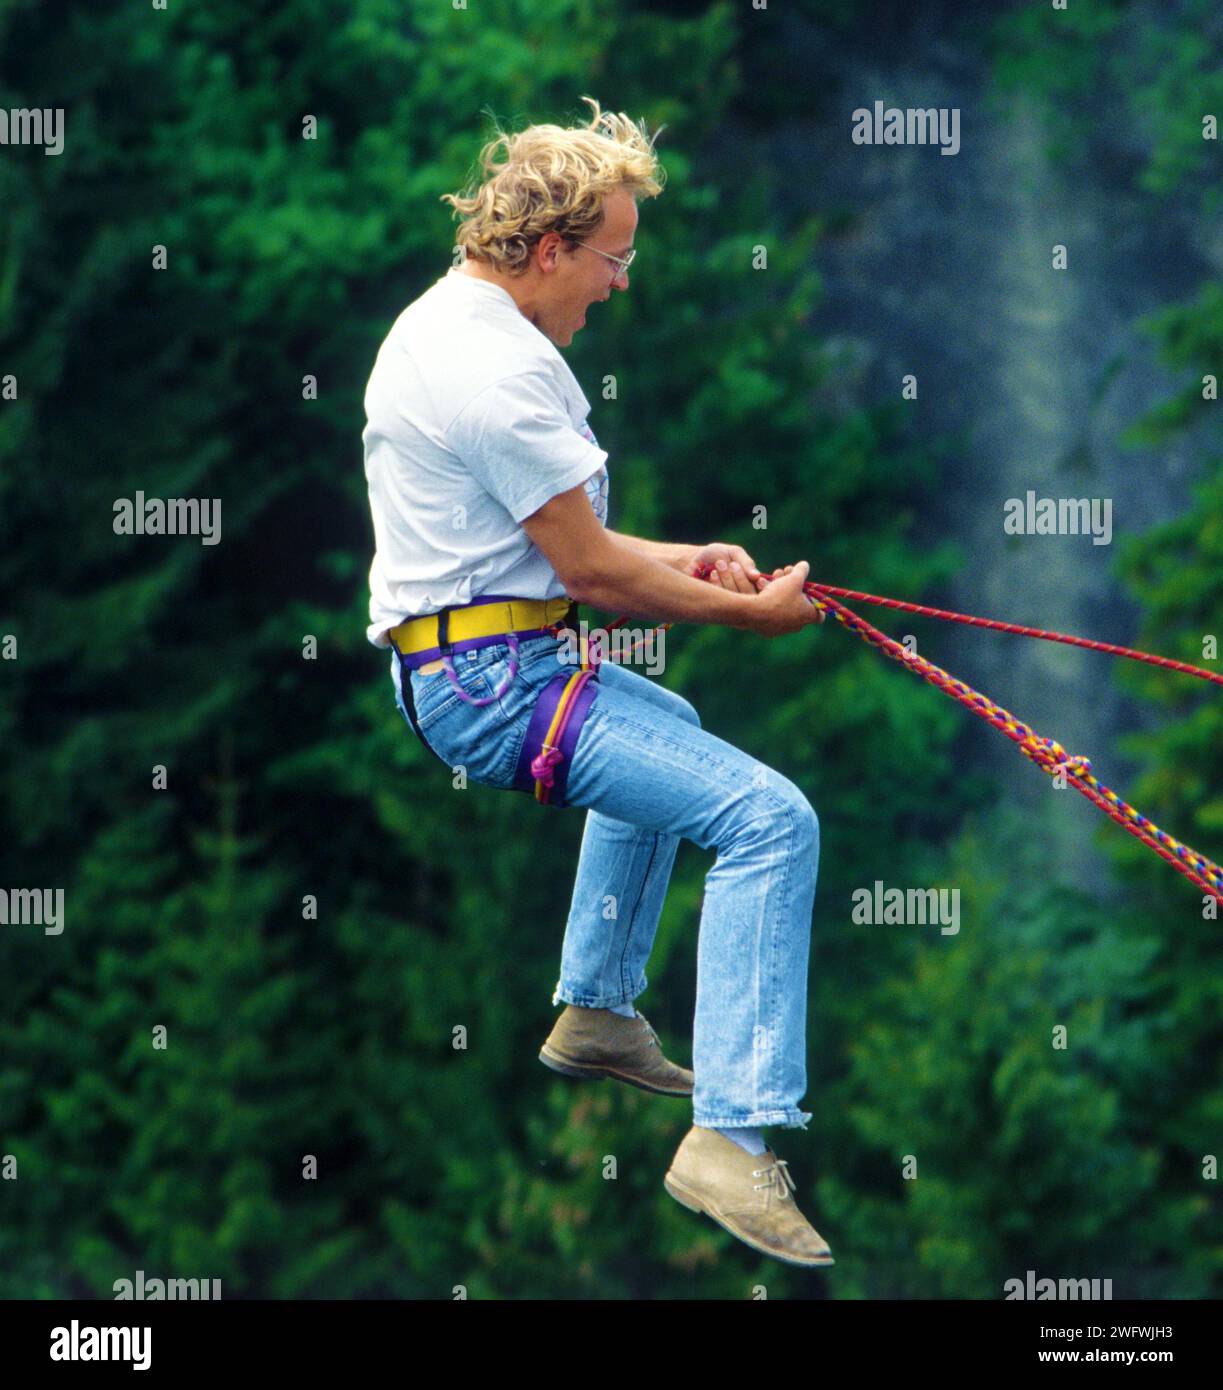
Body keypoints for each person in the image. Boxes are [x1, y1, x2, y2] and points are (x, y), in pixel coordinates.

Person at [361, 96, 831, 1268]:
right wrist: (747, 613)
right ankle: (730, 1137)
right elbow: (586, 572)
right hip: (491, 683)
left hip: (487, 657)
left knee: (662, 730)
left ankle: (597, 1008)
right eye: (613, 258)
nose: (620, 284)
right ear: (551, 247)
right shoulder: (495, 376)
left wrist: (690, 557)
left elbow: (554, 549)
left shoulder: (458, 324)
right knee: (770, 818)